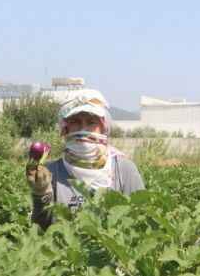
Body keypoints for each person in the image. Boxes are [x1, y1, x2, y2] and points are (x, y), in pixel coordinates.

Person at [26, 88, 145, 230]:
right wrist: (41, 194)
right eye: (75, 121)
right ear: (65, 128)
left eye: (91, 122)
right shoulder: (51, 172)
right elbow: (41, 230)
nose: (83, 129)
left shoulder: (124, 170)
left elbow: (140, 223)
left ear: (103, 127)